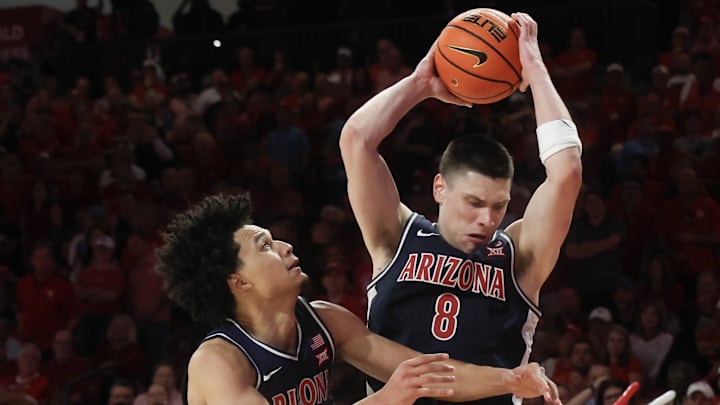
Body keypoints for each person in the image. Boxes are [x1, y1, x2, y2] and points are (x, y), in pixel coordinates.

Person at [339, 12, 583, 405]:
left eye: (499, 206)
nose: (487, 219)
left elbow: (567, 171)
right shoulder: (396, 237)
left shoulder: (518, 256)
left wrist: (534, 66)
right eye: (473, 203)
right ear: (440, 187)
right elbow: (356, 140)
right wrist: (420, 84)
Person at [155, 194, 560, 404]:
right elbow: (398, 391)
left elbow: (423, 372)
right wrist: (387, 400)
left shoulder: (324, 321)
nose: (284, 246)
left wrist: (509, 379)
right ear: (237, 282)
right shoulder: (219, 363)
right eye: (264, 246)